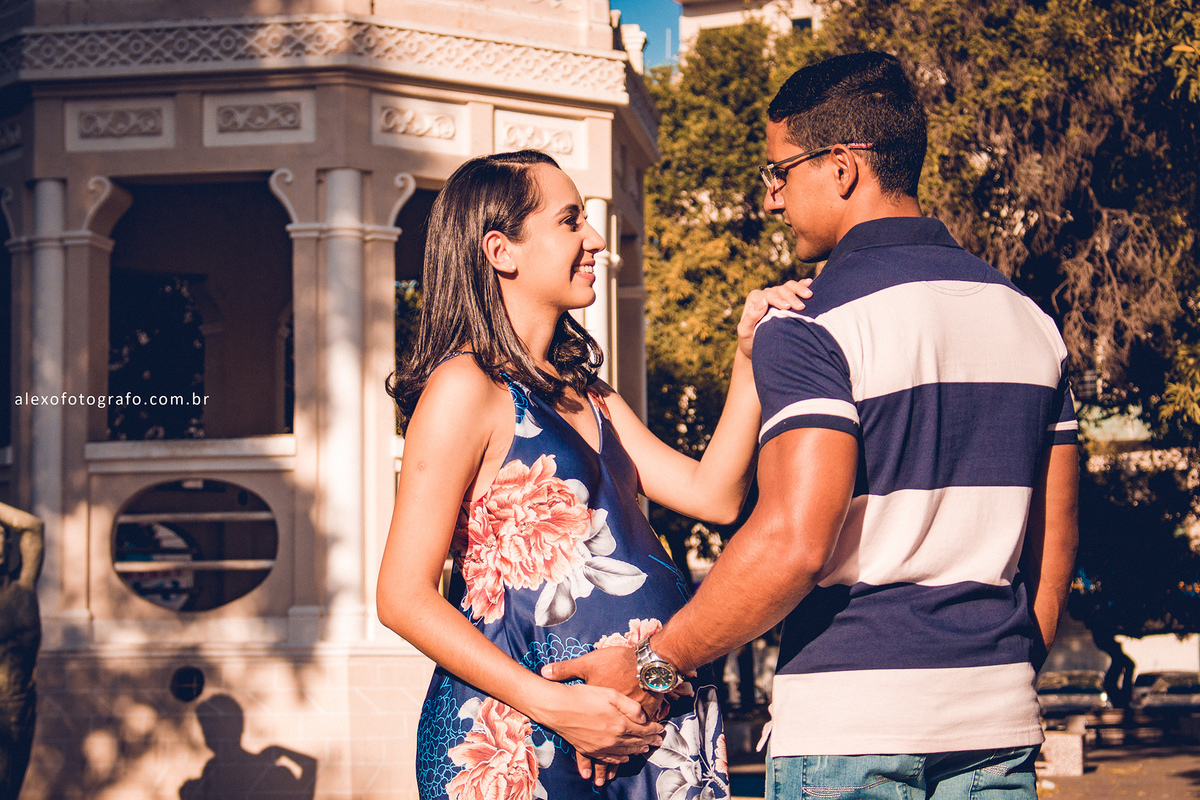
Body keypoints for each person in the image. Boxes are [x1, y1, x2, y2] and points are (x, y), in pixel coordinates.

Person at [543, 52, 1080, 800]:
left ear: (841, 167)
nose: (771, 198)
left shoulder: (810, 325)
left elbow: (791, 543)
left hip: (848, 732)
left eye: (779, 171)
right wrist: (999, 678)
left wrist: (652, 670)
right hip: (998, 732)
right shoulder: (1034, 325)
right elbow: (1052, 553)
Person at [376, 149, 810, 800]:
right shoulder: (465, 389)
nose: (596, 239)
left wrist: (747, 362)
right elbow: (401, 596)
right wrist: (555, 706)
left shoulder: (593, 396)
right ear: (501, 250)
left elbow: (714, 496)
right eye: (570, 221)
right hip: (522, 735)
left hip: (652, 722)